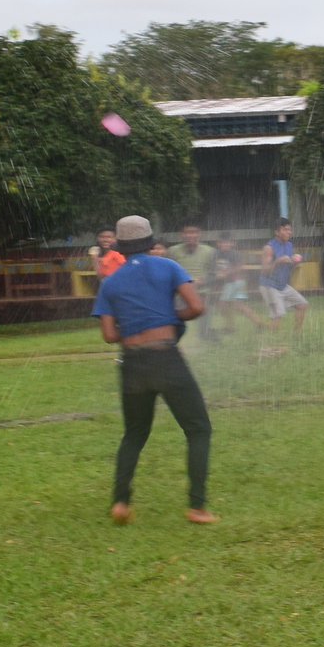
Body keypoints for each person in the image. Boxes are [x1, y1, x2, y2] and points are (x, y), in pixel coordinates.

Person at [93, 216, 215, 524]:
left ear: (120, 246)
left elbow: (109, 335)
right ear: (150, 241)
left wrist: (136, 328)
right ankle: (197, 507)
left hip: (132, 362)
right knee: (198, 429)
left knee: (134, 433)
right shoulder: (168, 266)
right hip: (166, 359)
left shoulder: (110, 282)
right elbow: (197, 307)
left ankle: (121, 503)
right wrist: (167, 318)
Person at [259, 219, 309, 337]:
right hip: (269, 285)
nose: (289, 232)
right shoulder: (269, 248)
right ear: (277, 232)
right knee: (277, 319)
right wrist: (277, 262)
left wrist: (293, 263)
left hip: (282, 285)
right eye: (285, 229)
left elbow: (287, 266)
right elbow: (264, 270)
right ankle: (263, 337)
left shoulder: (289, 245)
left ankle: (296, 335)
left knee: (302, 305)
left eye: (290, 229)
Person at [173, 224, 223, 342]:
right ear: (182, 234)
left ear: (200, 233)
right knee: (179, 321)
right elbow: (169, 272)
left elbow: (215, 274)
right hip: (180, 294)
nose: (191, 235)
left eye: (194, 232)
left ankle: (206, 340)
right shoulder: (173, 251)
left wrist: (203, 282)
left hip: (202, 292)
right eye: (187, 232)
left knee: (204, 322)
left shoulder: (210, 252)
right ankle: (181, 341)